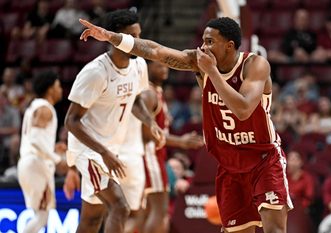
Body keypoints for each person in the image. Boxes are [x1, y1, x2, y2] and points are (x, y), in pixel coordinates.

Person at [79, 15, 293, 233]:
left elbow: (243, 109)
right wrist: (111, 37)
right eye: (203, 40)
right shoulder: (198, 62)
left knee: (274, 229)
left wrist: (211, 72)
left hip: (263, 160)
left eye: (210, 42)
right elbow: (156, 51)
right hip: (230, 165)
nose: (203, 47)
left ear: (229, 46)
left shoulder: (255, 65)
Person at [64, 9, 164, 233]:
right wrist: (104, 153)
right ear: (116, 37)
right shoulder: (95, 73)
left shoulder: (139, 66)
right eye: (132, 37)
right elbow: (71, 121)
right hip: (89, 150)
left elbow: (136, 102)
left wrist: (151, 122)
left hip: (109, 148)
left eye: (139, 36)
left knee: (92, 218)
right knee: (120, 206)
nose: (137, 42)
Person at [139, 60, 203, 233]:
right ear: (147, 68)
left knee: (143, 215)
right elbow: (146, 134)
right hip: (149, 157)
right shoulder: (148, 94)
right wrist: (180, 141)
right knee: (159, 213)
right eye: (159, 65)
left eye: (165, 65)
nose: (164, 69)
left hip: (154, 157)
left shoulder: (156, 93)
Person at [17, 70, 67, 233]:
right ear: (50, 88)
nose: (61, 90)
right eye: (58, 86)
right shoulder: (45, 108)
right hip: (35, 164)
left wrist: (53, 148)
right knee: (42, 216)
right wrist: (57, 159)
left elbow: (35, 139)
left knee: (40, 215)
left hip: (27, 162)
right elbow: (35, 140)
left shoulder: (34, 106)